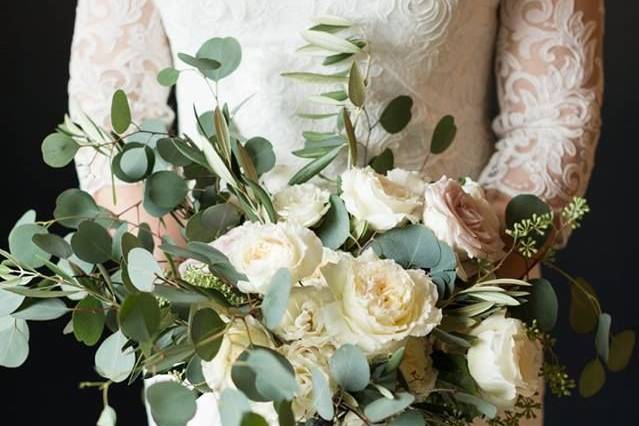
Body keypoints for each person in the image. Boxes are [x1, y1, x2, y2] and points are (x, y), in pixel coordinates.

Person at [67, 1, 604, 425]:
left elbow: (551, 126)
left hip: (444, 339)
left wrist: (444, 310)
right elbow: (109, 115)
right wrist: (200, 292)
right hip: (222, 345)